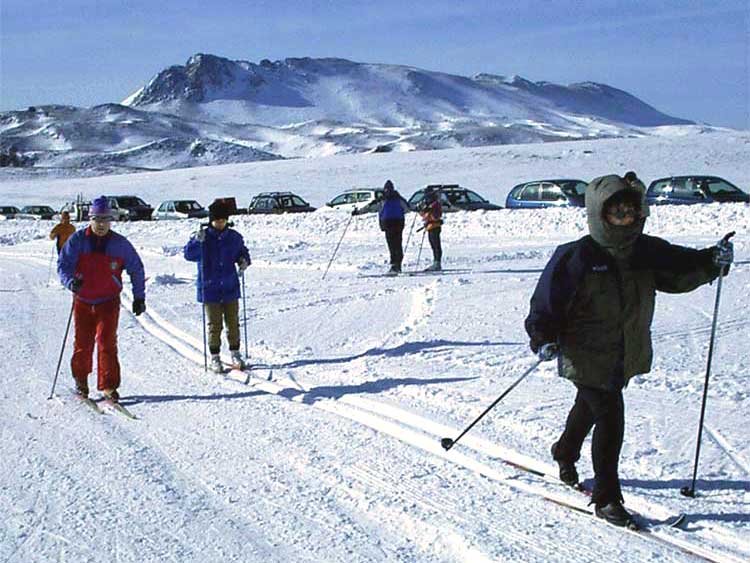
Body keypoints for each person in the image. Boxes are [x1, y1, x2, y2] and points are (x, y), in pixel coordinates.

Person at [524, 172, 733, 527]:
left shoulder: (645, 250)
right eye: (616, 213)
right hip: (583, 351)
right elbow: (546, 303)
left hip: (623, 351)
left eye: (630, 213)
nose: (625, 219)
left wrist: (713, 260)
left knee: (589, 407)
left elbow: (680, 271)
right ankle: (606, 497)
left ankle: (564, 451)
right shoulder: (577, 256)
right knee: (609, 414)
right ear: (598, 214)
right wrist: (543, 337)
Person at [57, 196, 146, 402]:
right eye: (97, 219)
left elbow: (136, 269)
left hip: (108, 301)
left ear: (111, 221)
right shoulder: (78, 240)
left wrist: (139, 297)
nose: (101, 224)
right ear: (90, 219)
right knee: (83, 342)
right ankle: (81, 381)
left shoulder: (120, 244)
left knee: (107, 342)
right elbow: (63, 266)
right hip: (83, 300)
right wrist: (70, 282)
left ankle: (108, 386)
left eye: (105, 219)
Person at [184, 200, 251, 373]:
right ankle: (215, 357)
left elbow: (242, 252)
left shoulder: (234, 237)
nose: (220, 223)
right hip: (209, 289)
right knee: (215, 325)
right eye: (217, 220)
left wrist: (244, 261)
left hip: (230, 287)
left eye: (223, 220)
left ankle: (235, 352)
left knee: (233, 323)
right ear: (211, 220)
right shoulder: (203, 237)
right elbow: (189, 255)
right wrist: (196, 242)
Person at [378, 180, 411, 275]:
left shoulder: (382, 199)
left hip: (388, 224)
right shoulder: (399, 198)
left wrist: (357, 212)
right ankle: (398, 265)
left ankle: (394, 265)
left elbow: (372, 207)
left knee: (391, 245)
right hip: (398, 223)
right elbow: (407, 208)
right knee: (398, 243)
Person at [419, 186, 443, 271]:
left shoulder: (435, 204)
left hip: (434, 226)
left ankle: (437, 263)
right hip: (430, 227)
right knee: (433, 245)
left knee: (436, 245)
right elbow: (424, 215)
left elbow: (436, 216)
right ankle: (436, 262)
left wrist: (429, 211)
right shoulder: (429, 204)